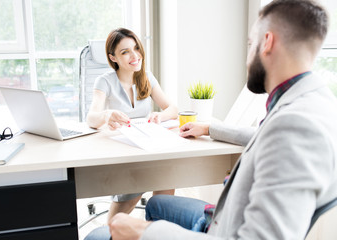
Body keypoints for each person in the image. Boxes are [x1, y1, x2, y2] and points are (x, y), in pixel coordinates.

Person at [102, 1, 337, 239]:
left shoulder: (298, 128)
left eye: (249, 44)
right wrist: (210, 128)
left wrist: (147, 232)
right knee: (158, 204)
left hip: (225, 230)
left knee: (103, 234)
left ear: (267, 42)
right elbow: (265, 136)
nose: (247, 57)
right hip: (225, 217)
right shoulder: (311, 102)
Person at [86, 28, 177, 223]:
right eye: (125, 51)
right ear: (113, 57)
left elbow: (172, 109)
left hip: (147, 147)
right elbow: (91, 118)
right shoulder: (104, 82)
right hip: (123, 154)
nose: (135, 56)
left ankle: (156, 230)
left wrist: (160, 116)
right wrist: (106, 115)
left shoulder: (147, 77)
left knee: (166, 182)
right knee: (115, 222)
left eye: (136, 48)